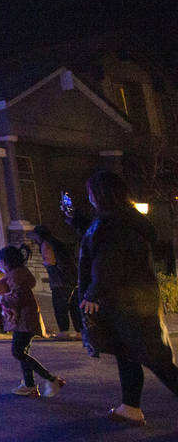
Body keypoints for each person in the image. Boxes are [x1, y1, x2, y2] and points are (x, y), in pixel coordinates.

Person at [79, 169, 178, 426]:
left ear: (100, 194)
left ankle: (130, 407)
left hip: (127, 303)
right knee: (129, 353)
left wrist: (94, 292)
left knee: (156, 359)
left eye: (91, 192)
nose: (88, 197)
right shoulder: (125, 220)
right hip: (135, 299)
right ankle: (130, 407)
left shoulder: (113, 223)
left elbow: (109, 260)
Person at [0, 244, 64, 398]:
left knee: (18, 352)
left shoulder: (16, 276)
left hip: (24, 319)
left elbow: (18, 297)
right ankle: (29, 386)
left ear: (6, 262)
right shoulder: (19, 274)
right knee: (23, 352)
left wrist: (0, 298)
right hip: (25, 318)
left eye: (0, 261)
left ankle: (51, 379)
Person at [25, 224, 82, 338]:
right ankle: (80, 332)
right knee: (74, 307)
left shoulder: (46, 244)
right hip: (72, 280)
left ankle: (64, 332)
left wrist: (46, 264)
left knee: (60, 307)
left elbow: (50, 261)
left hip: (60, 281)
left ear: (39, 236)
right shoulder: (58, 243)